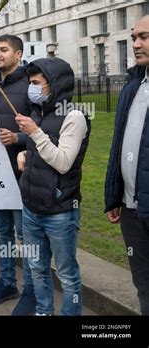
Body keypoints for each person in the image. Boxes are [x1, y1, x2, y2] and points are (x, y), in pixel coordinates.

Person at [16, 58, 90, 316]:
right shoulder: (39, 113)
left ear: (55, 85)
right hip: (31, 208)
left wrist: (35, 133)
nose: (32, 88)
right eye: (30, 83)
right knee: (36, 267)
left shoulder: (74, 116)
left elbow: (63, 163)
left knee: (67, 274)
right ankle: (43, 311)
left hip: (59, 212)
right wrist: (24, 156)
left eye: (37, 83)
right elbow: (40, 153)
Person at [0, 35, 36, 315]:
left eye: (4, 50)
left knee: (24, 236)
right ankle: (7, 282)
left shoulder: (31, 86)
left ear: (19, 53)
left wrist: (18, 138)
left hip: (21, 175)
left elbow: (45, 130)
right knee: (3, 234)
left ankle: (32, 290)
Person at [105, 15, 149, 315]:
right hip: (132, 210)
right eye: (133, 37)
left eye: (144, 37)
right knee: (144, 284)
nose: (135, 44)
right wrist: (114, 195)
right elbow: (118, 144)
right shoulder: (133, 85)